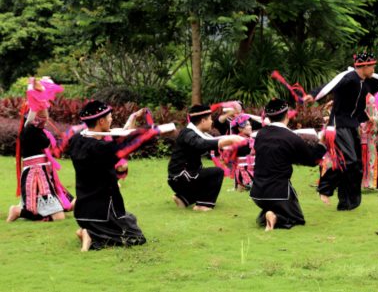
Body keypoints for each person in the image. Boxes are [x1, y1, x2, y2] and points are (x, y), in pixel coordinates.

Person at [304, 52, 378, 211]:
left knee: (356, 165)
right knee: (350, 160)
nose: (374, 69)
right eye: (372, 66)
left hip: (353, 125)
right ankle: (325, 188)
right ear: (364, 66)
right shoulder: (348, 77)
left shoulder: (369, 80)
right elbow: (330, 85)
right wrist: (313, 95)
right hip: (338, 124)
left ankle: (348, 203)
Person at [68, 100, 164, 251]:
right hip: (102, 211)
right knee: (136, 237)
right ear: (101, 121)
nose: (111, 120)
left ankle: (86, 229)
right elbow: (125, 144)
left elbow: (120, 136)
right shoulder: (100, 148)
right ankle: (91, 236)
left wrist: (133, 118)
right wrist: (150, 131)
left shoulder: (77, 140)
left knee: (130, 218)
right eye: (109, 117)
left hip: (82, 212)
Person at [250, 99, 326, 230]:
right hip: (279, 192)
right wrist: (322, 143)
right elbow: (311, 161)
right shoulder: (291, 137)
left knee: (279, 206)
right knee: (297, 219)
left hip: (257, 193)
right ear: (287, 115)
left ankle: (267, 214)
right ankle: (274, 216)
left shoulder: (260, 135)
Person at [8, 77, 74, 223]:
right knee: (58, 217)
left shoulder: (41, 131)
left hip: (44, 171)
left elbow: (42, 114)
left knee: (69, 207)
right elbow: (37, 111)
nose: (45, 113)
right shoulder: (29, 130)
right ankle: (18, 211)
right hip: (36, 174)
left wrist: (41, 93)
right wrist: (38, 94)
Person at [168, 104, 244, 211]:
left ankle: (183, 198)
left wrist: (232, 141)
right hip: (181, 177)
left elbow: (211, 141)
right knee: (217, 172)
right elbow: (202, 144)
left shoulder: (197, 133)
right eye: (210, 119)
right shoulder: (188, 134)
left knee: (205, 175)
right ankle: (203, 205)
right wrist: (228, 140)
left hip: (183, 177)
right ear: (203, 121)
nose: (212, 122)